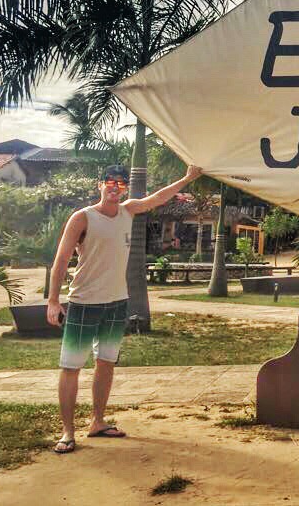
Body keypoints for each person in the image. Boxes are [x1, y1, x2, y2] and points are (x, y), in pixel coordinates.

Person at [46, 163, 203, 454]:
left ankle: (98, 422)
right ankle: (68, 432)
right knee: (71, 367)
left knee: (105, 363)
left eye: (120, 183)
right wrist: (54, 301)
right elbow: (60, 261)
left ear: (124, 189)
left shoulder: (128, 211)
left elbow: (157, 199)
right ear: (100, 185)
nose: (114, 187)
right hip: (83, 303)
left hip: (117, 302)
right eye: (109, 181)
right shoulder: (82, 218)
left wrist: (187, 177)